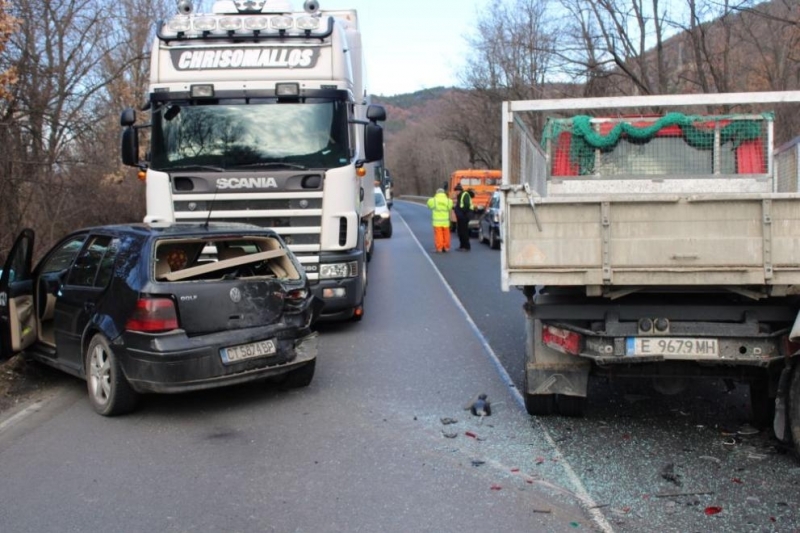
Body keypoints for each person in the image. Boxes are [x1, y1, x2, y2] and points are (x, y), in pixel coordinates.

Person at [426, 188, 453, 253]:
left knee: (438, 235)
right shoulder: (449, 200)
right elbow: (450, 207)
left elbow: (429, 206)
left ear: (437, 193)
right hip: (445, 221)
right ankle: (446, 247)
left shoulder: (433, 200)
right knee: (446, 235)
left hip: (437, 222)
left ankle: (439, 248)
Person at [453, 183, 475, 251]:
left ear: (459, 190)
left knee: (464, 231)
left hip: (464, 215)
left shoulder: (464, 194)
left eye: (456, 191)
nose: (456, 192)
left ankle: (466, 246)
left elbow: (466, 205)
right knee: (460, 231)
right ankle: (462, 246)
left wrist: (461, 211)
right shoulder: (460, 195)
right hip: (461, 215)